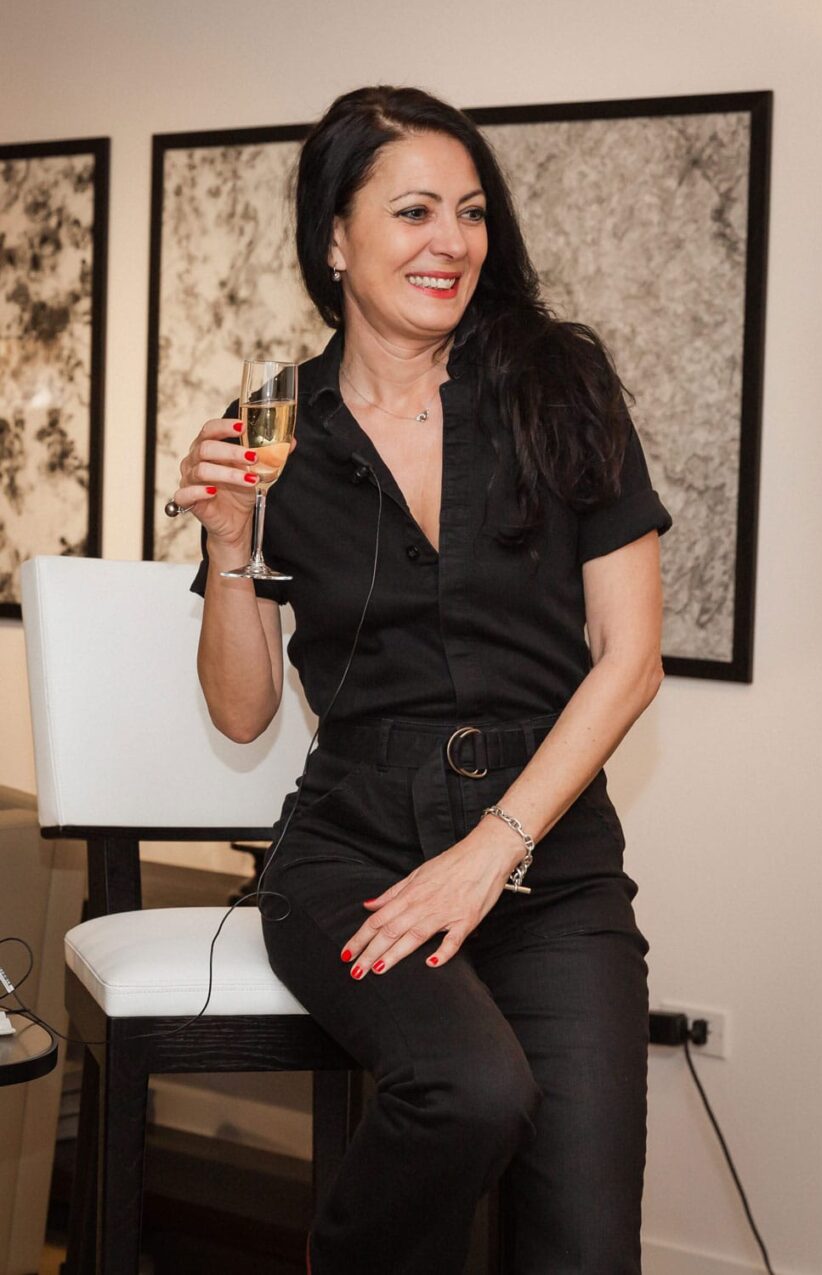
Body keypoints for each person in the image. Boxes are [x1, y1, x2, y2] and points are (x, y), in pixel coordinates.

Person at [175, 85, 673, 1275]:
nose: (450, 240)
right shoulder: (271, 424)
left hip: (548, 866)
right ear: (335, 240)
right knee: (472, 1092)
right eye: (411, 212)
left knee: (585, 1247)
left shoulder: (561, 388)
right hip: (351, 856)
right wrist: (228, 551)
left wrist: (491, 849)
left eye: (468, 211)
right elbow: (242, 713)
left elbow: (630, 659)